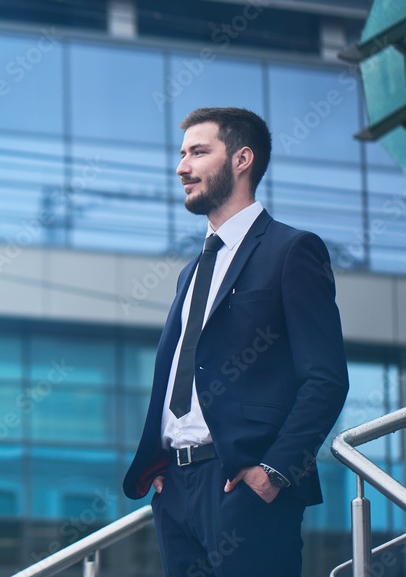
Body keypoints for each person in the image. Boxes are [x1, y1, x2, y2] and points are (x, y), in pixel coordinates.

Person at [122, 107, 349, 577]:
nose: (182, 167)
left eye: (198, 152)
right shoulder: (191, 272)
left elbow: (326, 379)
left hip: (243, 486)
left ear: (242, 159)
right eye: (182, 153)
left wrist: (273, 473)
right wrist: (164, 467)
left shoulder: (292, 250)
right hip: (176, 489)